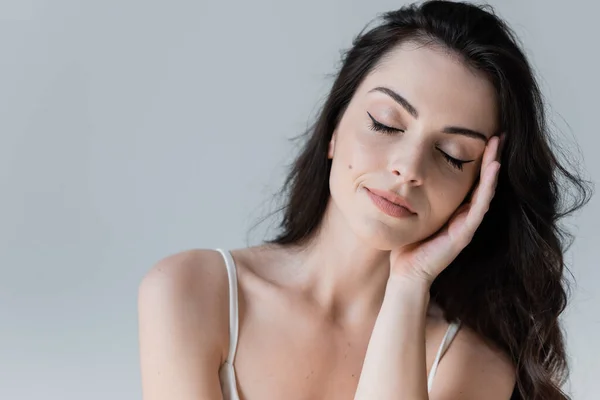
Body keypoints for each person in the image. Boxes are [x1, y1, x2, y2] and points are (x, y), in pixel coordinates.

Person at [137, 1, 592, 399]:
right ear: (334, 128)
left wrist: (409, 284)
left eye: (453, 156)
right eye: (386, 123)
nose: (409, 168)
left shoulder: (471, 363)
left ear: (475, 193)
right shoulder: (193, 291)